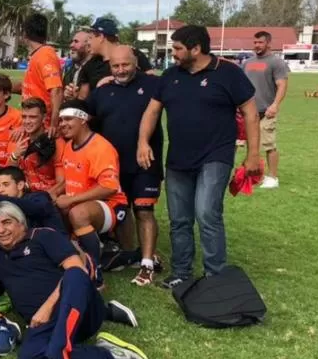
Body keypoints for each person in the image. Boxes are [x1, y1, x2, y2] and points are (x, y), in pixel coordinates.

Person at [0, 201, 148, 359]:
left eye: (7, 222)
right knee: (27, 357)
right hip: (45, 325)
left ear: (21, 223)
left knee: (75, 274)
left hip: (79, 310)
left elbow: (77, 269)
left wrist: (47, 307)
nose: (1, 230)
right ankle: (109, 352)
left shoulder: (42, 237)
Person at [137, 25, 260, 288]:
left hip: (215, 156)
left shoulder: (228, 73)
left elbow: (250, 112)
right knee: (179, 219)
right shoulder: (170, 76)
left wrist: (253, 155)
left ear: (196, 49)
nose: (173, 53)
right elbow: (152, 111)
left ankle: (215, 275)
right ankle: (181, 273)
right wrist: (142, 142)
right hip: (179, 159)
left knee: (206, 213)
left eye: (178, 49)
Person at [89, 46, 163, 286]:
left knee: (143, 210)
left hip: (145, 161)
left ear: (136, 63)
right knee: (122, 212)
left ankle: (147, 264)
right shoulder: (102, 90)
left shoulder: (153, 85)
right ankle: (131, 254)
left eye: (126, 65)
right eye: (115, 66)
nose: (120, 70)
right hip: (112, 165)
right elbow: (85, 117)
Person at [52, 100, 128, 281]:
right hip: (81, 202)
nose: (62, 124)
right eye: (61, 120)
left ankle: (95, 271)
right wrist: (52, 192)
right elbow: (70, 179)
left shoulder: (100, 147)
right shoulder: (69, 145)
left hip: (113, 206)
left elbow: (109, 187)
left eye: (68, 119)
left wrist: (70, 200)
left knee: (78, 213)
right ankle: (71, 259)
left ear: (83, 120)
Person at [242, 31, 289, 189]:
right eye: (255, 42)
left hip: (267, 110)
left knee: (269, 144)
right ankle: (252, 173)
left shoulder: (276, 62)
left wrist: (275, 105)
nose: (257, 45)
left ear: (269, 43)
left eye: (260, 42)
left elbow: (282, 85)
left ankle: (273, 177)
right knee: (250, 143)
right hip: (249, 112)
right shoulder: (247, 63)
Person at [6, 97, 65, 195]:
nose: (27, 121)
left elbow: (62, 183)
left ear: (44, 117)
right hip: (25, 195)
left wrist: (42, 200)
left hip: (49, 196)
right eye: (24, 117)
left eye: (33, 117)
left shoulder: (56, 141)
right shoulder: (17, 138)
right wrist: (15, 156)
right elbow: (9, 176)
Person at [15, 14, 63, 126]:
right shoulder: (38, 55)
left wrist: (53, 124)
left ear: (25, 34)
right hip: (33, 121)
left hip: (43, 124)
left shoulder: (45, 55)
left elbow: (56, 90)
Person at [63, 30, 92, 98]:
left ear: (88, 46)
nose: (71, 45)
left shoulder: (95, 71)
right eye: (72, 42)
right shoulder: (69, 70)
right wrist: (65, 94)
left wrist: (79, 97)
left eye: (76, 41)